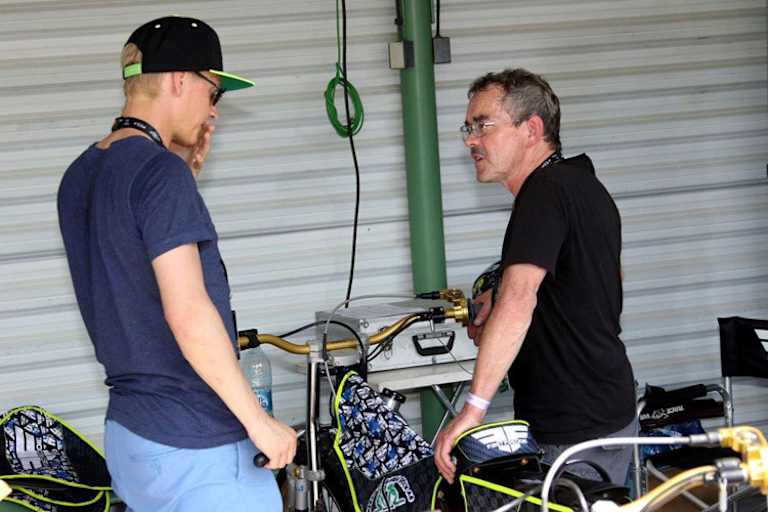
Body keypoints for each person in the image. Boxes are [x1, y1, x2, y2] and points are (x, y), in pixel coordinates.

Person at [57, 16, 296, 511]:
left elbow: (127, 273)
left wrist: (182, 176)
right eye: (214, 94)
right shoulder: (160, 174)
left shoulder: (80, 174)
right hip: (197, 444)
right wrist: (259, 422)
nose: (214, 114)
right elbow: (187, 314)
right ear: (178, 80)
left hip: (133, 439)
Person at [434, 68, 636, 486]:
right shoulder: (581, 185)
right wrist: (497, 287)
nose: (471, 139)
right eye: (468, 127)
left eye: (483, 125)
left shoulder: (542, 195)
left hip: (574, 429)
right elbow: (589, 278)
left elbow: (519, 301)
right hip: (605, 411)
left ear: (532, 129)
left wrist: (472, 409)